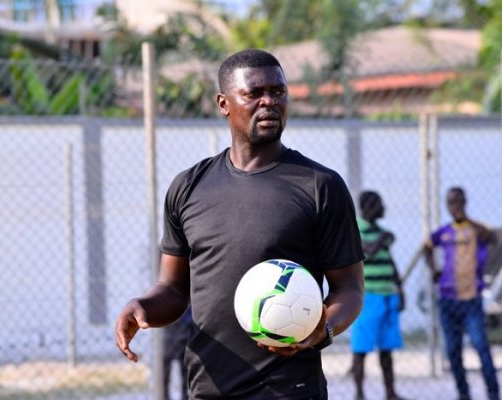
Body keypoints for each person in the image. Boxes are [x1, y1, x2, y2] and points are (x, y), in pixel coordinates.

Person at [115, 48, 365, 399]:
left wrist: (323, 328)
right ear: (223, 103)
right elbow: (173, 290)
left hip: (289, 389)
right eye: (254, 93)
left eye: (278, 92)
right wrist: (142, 307)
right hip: (209, 387)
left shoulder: (320, 185)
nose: (270, 102)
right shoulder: (189, 187)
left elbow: (349, 289)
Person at [424, 187, 500, 400]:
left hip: (471, 299)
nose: (454, 206)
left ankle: (493, 394)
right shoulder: (445, 231)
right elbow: (427, 246)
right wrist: (434, 270)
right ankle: (463, 393)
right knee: (453, 352)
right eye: (451, 203)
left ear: (465, 202)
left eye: (458, 202)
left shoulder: (476, 229)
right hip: (448, 299)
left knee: (481, 348)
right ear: (447, 206)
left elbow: (492, 238)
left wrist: (466, 218)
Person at [351, 191, 408, 400]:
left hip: (387, 295)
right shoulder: (356, 228)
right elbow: (367, 251)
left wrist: (400, 291)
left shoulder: (381, 231)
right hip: (368, 297)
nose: (384, 208)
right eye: (380, 205)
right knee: (361, 349)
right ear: (370, 207)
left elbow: (391, 263)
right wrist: (384, 237)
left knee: (387, 348)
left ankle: (390, 393)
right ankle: (359, 394)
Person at [163, 307, 193, 400]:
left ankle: (185, 395)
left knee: (185, 365)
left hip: (187, 325)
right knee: (165, 363)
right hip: (170, 325)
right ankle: (164, 396)